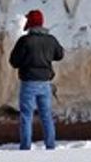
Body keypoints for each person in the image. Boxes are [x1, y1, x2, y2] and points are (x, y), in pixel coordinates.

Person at [8, 9, 64, 150]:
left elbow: (14, 61)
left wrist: (26, 61)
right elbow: (60, 55)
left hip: (28, 83)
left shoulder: (25, 41)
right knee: (46, 116)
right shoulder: (50, 40)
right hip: (45, 83)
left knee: (27, 116)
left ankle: (26, 146)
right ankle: (50, 145)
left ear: (30, 23)